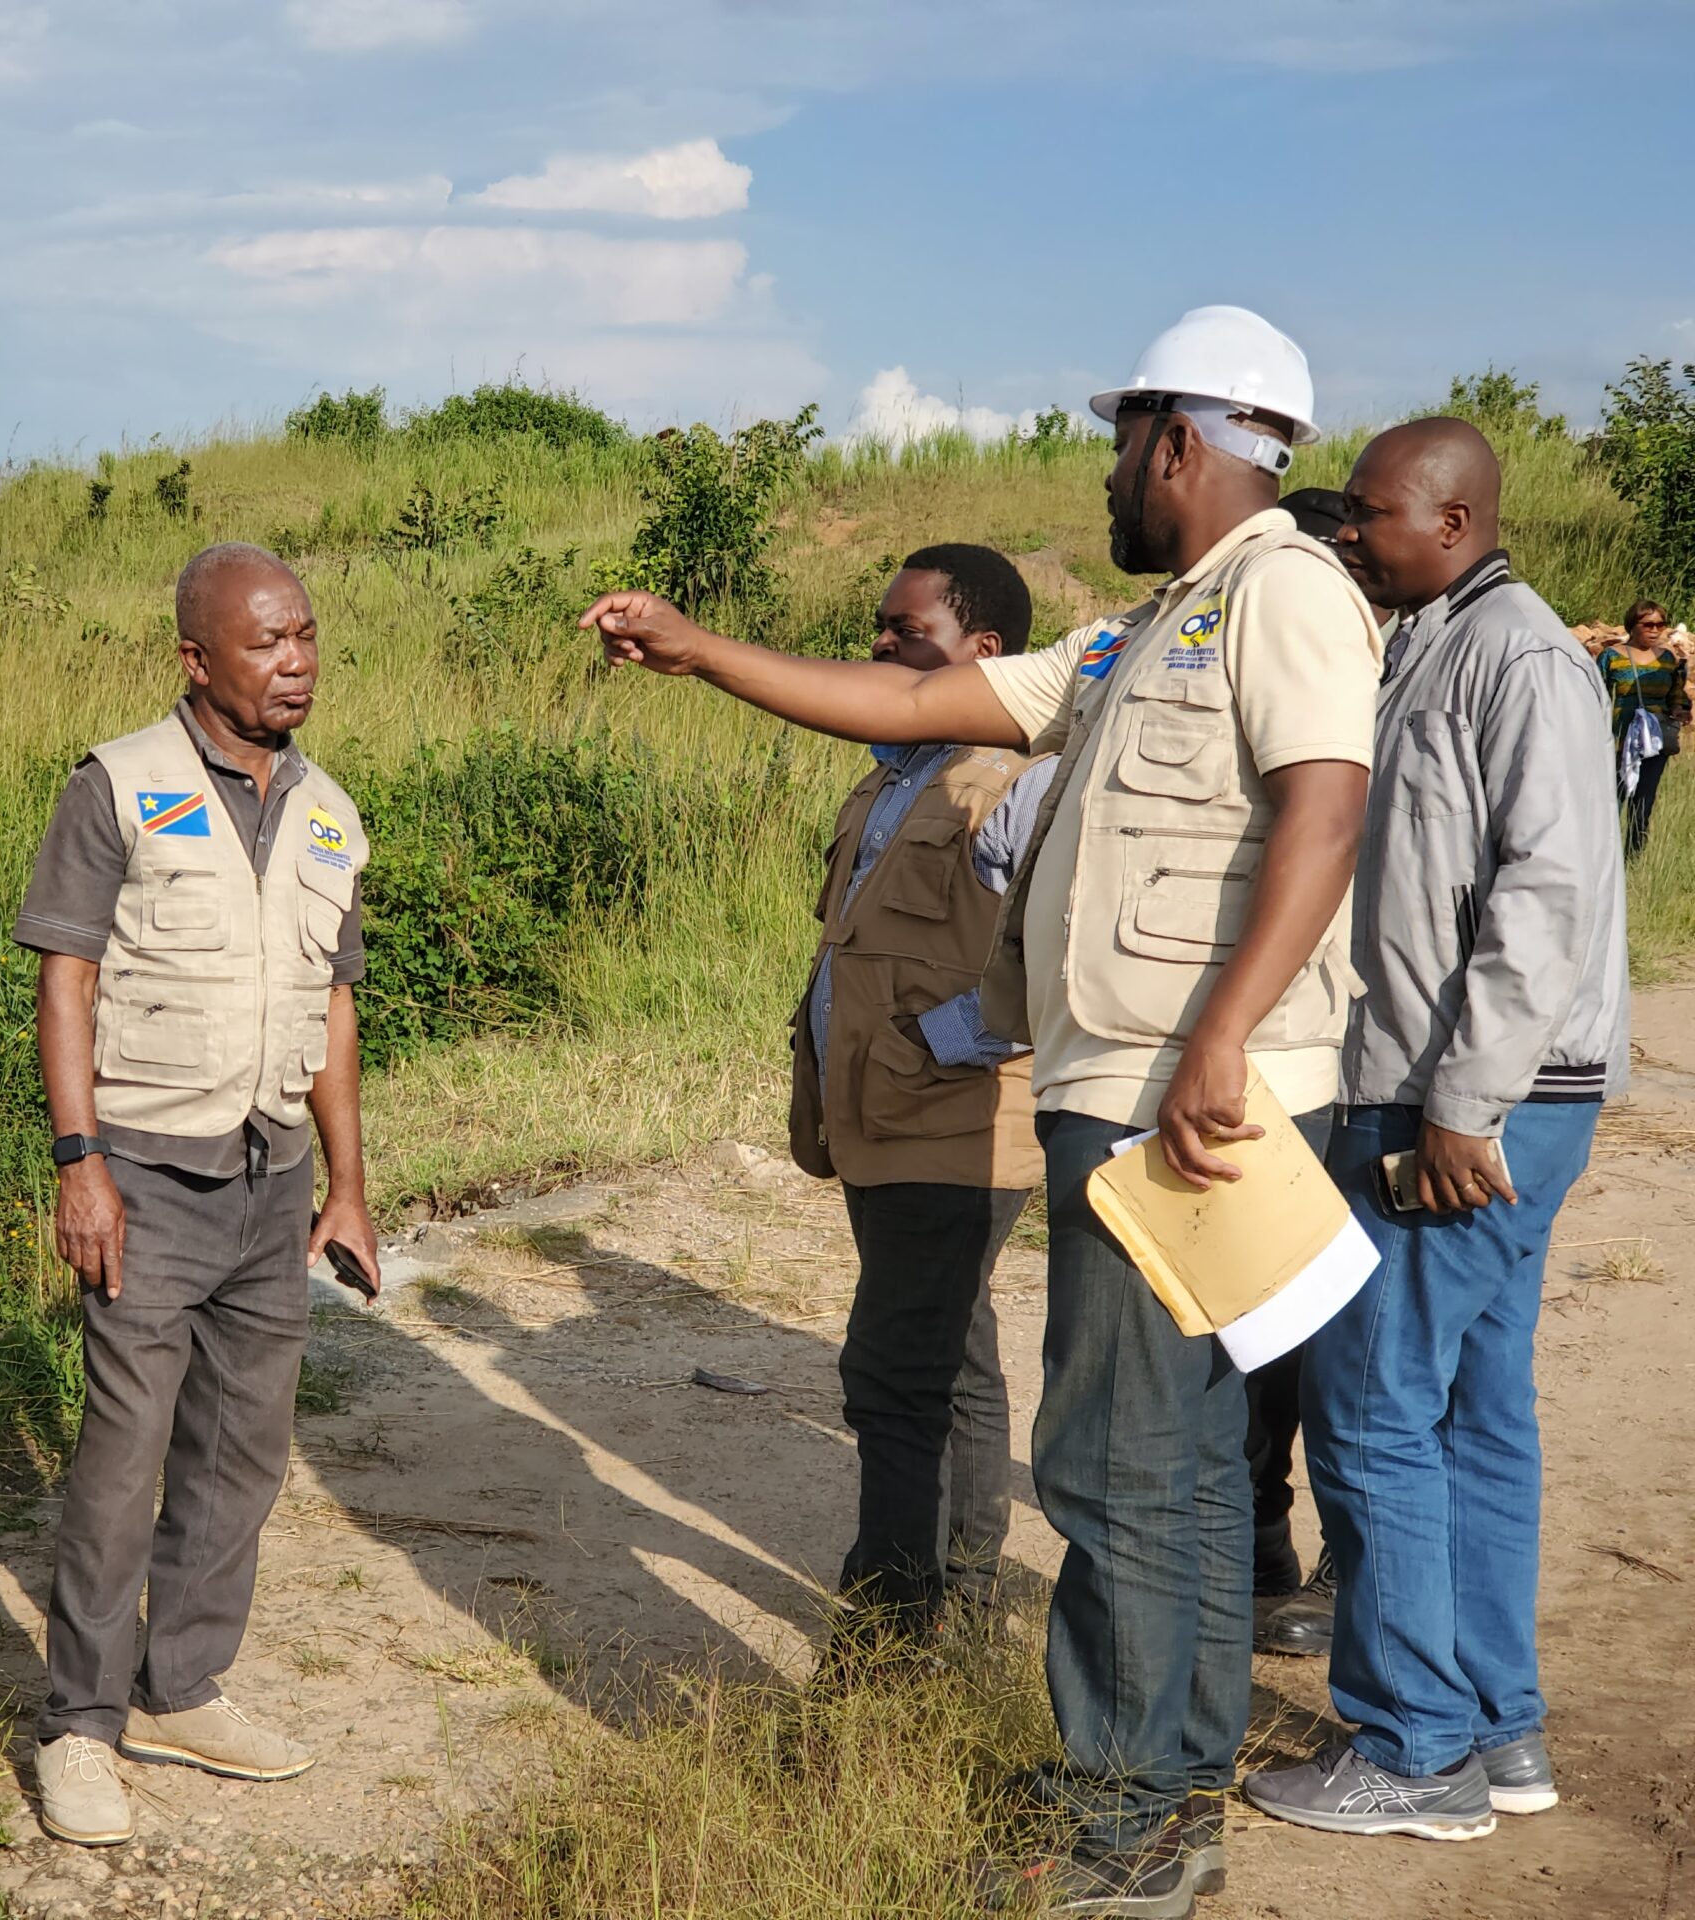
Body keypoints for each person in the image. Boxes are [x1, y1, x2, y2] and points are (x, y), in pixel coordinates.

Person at [586, 306, 1381, 1919]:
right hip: (1130, 1090)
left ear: (1181, 442)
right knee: (1179, 1456)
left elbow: (1327, 807)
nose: (1103, 470)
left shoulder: (1286, 593)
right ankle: (1164, 1781)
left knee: (1118, 1457)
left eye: (1120, 439)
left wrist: (1222, 1037)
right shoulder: (1144, 630)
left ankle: (1129, 1808)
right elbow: (914, 710)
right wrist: (700, 651)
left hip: (1182, 1100)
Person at [1244, 420, 1627, 1841]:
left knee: (1373, 1413)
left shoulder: (1518, 655)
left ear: (1456, 521)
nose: (1351, 534)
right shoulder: (1429, 640)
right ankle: (1498, 1732)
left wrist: (1466, 1103)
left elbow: (1549, 891)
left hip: (1470, 1100)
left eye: (1377, 516)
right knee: (1472, 1416)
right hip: (1465, 1093)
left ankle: (1411, 1749)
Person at [13, 542, 381, 1848]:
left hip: (272, 1185)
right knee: (123, 1459)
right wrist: (83, 1164)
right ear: (196, 658)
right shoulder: (120, 785)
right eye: (268, 642)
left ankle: (185, 1686)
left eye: (307, 638)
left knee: (243, 1448)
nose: (296, 662)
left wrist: (346, 1184)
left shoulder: (333, 812)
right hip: (147, 1182)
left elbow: (332, 1008)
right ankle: (80, 1723)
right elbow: (67, 980)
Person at [785, 545, 1055, 1649]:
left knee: (894, 1369)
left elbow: (1049, 957)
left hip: (954, 1125)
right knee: (955, 1348)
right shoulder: (892, 770)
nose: (881, 651)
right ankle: (960, 1583)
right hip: (878, 1115)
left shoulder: (1014, 780)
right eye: (880, 629)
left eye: (907, 634)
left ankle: (896, 1623)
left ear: (982, 654)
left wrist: (935, 1043)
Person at [1242, 484, 1349, 1661]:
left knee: (1337, 1354)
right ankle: (1264, 1550)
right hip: (1292, 1063)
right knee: (1268, 1339)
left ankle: (1327, 1566)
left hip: (1364, 1072)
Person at [1600, 599, 1687, 853]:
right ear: (1633, 624)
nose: (1655, 630)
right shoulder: (1612, 657)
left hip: (1655, 738)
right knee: (1614, 800)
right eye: (1648, 624)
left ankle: (1634, 858)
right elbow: (1595, 695)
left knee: (1643, 803)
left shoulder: (1667, 659)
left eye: (1661, 624)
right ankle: (1608, 858)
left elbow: (1676, 694)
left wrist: (1680, 710)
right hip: (1620, 737)